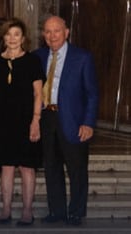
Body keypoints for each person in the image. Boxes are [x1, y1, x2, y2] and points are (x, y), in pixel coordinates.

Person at [34, 16, 99, 226]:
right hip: (47, 118)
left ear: (66, 32)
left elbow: (92, 94)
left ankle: (76, 212)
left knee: (77, 169)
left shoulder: (82, 57)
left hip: (73, 120)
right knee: (51, 168)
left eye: (57, 31)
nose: (52, 36)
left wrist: (88, 123)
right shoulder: (38, 56)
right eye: (48, 31)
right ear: (43, 35)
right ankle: (57, 211)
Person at [0, 18, 43, 226]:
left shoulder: (32, 61)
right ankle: (6, 209)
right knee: (6, 166)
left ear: (23, 38)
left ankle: (27, 211)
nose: (12, 38)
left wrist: (36, 121)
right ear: (3, 38)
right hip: (2, 121)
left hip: (26, 120)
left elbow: (38, 94)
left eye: (16, 34)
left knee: (27, 166)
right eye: (8, 34)